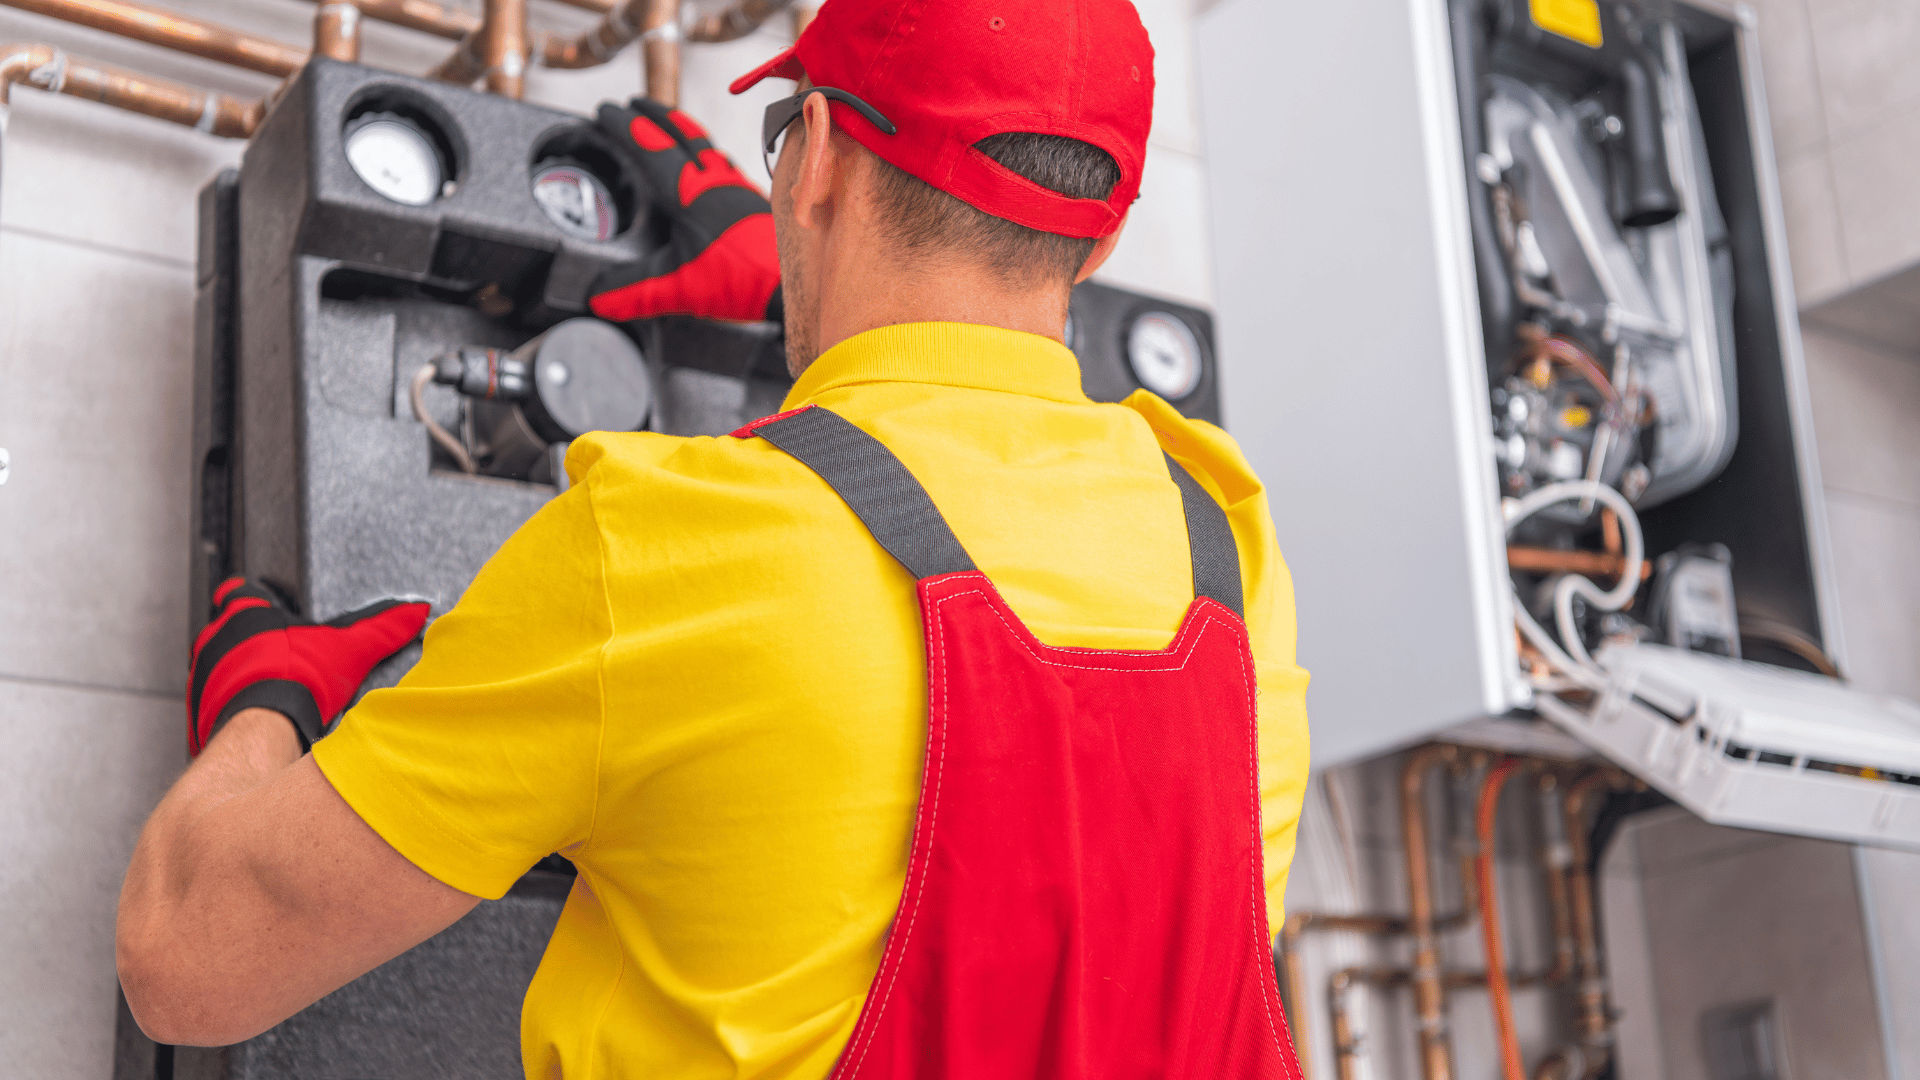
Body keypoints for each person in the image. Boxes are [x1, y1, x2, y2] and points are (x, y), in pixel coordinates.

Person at [117, 0, 1312, 1074]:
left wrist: (259, 707)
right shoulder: (1225, 544)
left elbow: (188, 964)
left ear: (825, 157)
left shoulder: (663, 544)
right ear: (1102, 240)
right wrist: (813, 288)